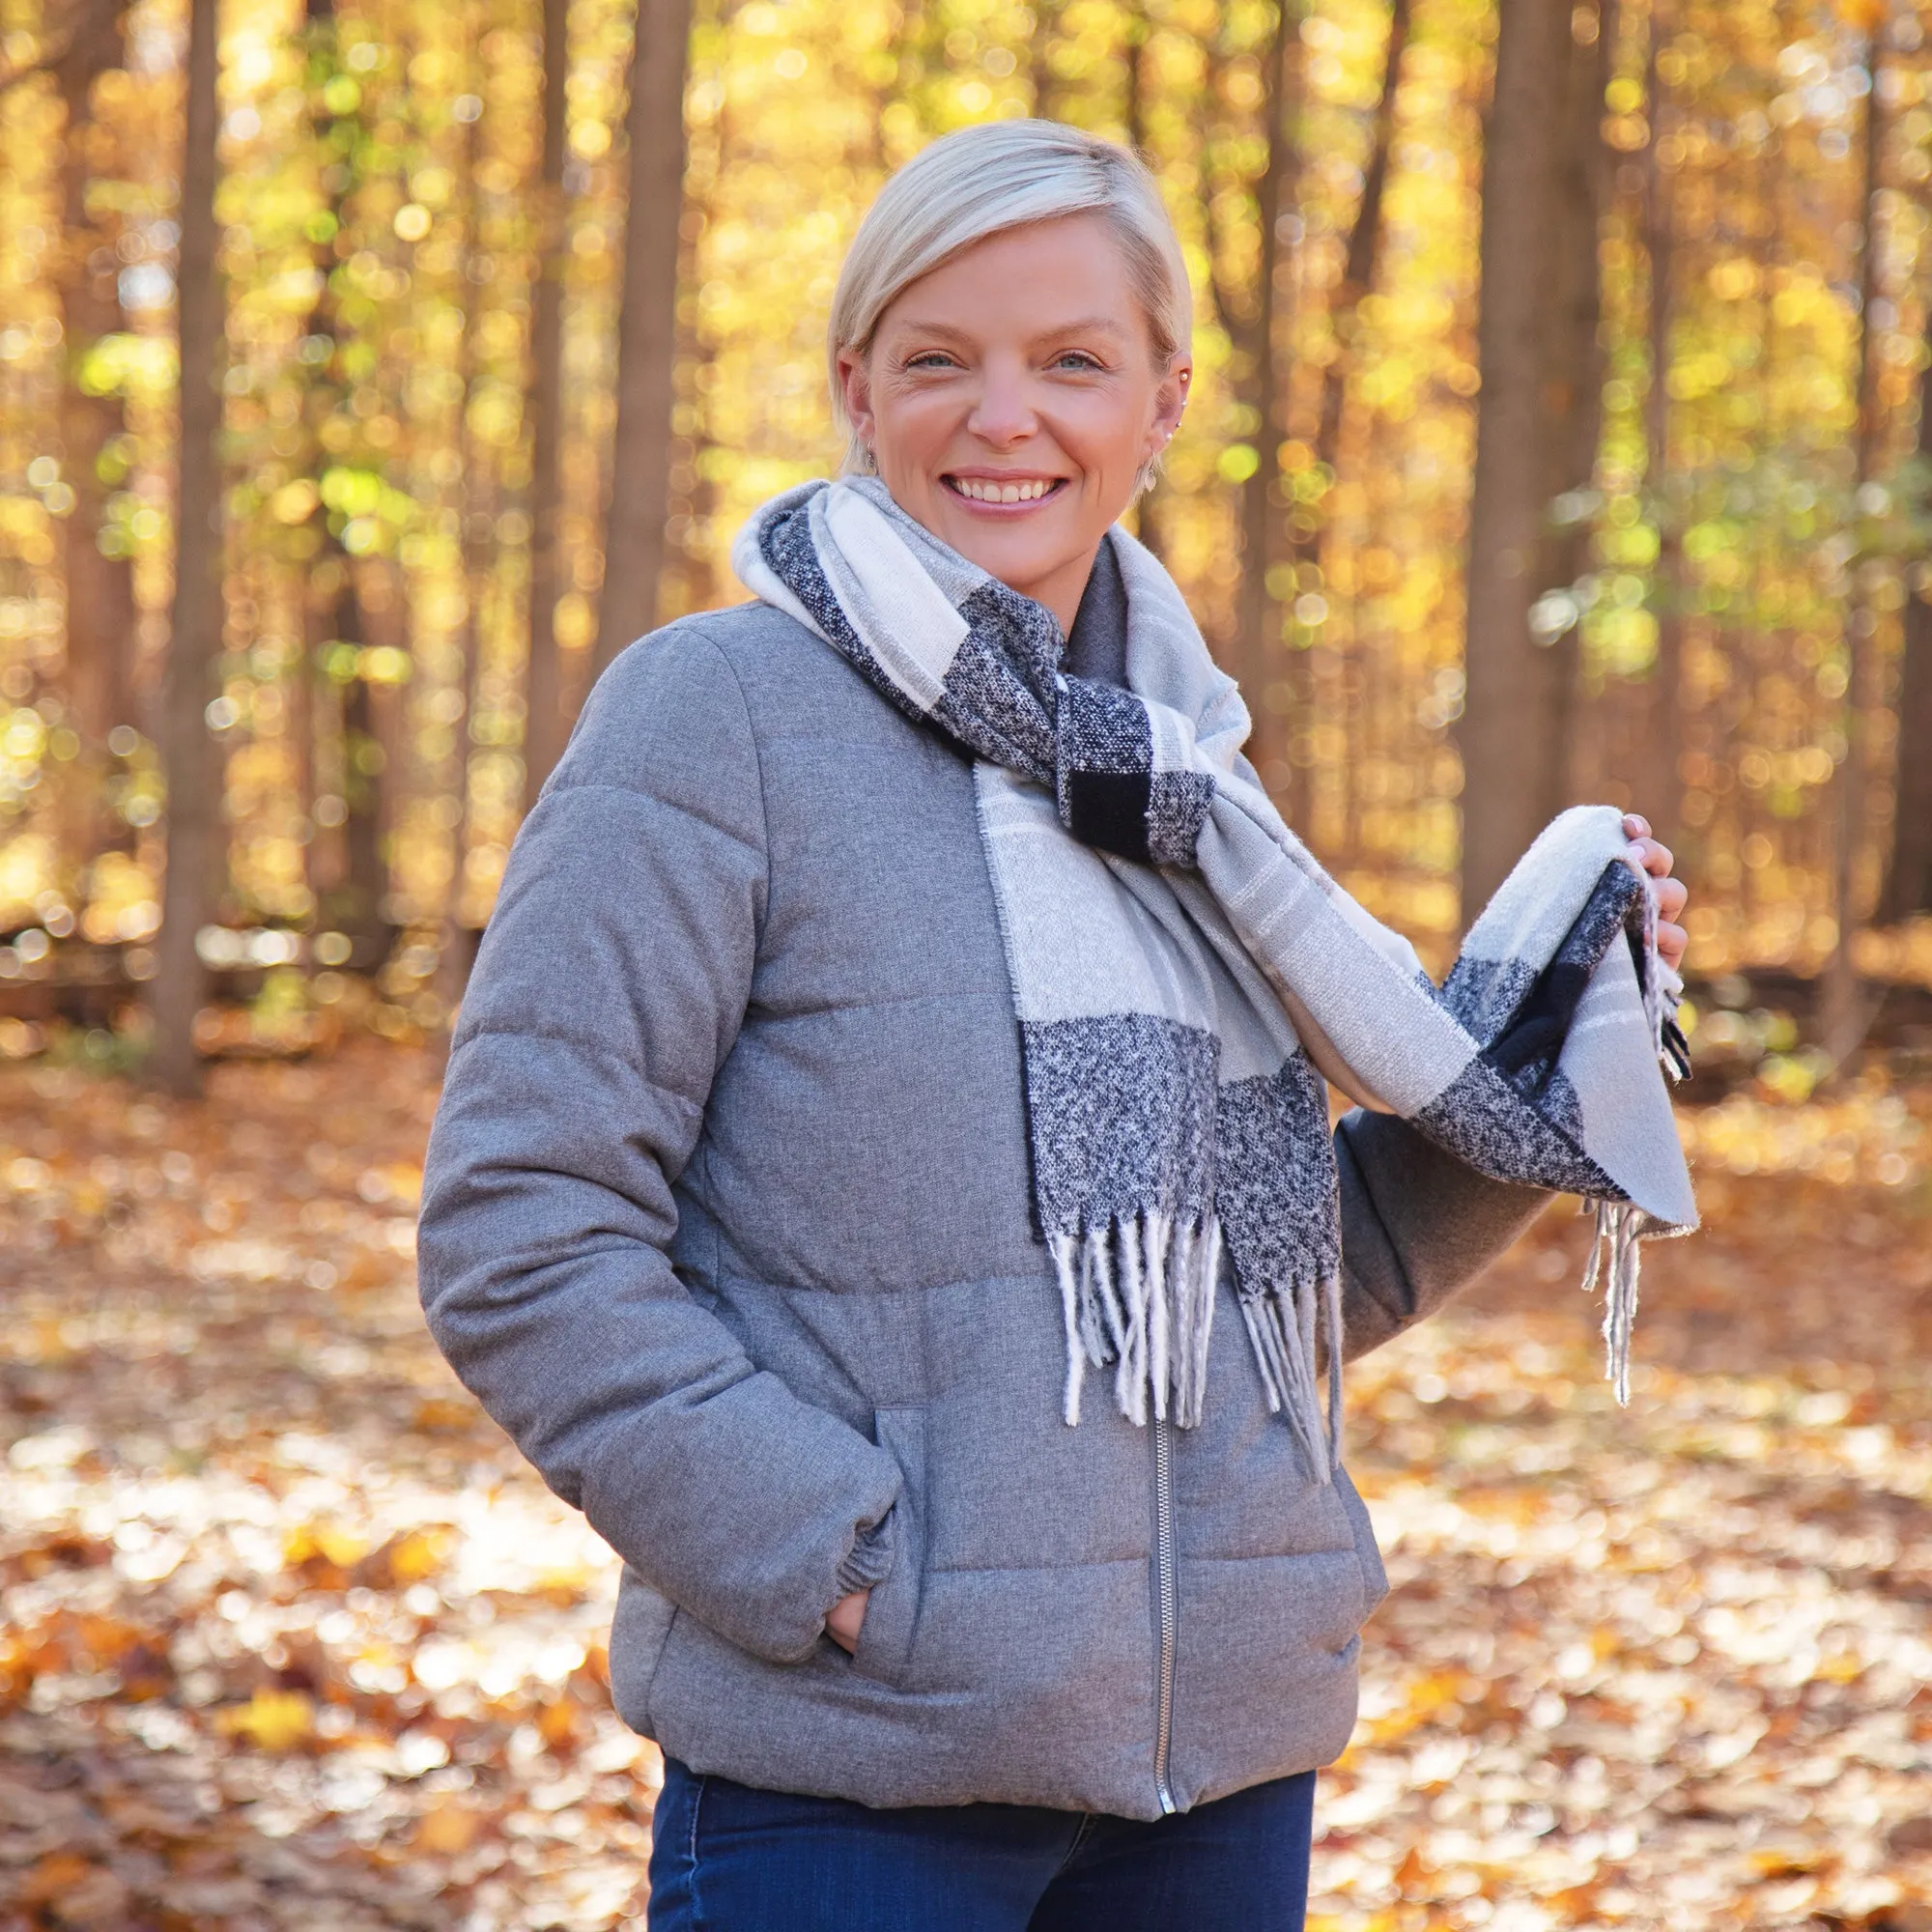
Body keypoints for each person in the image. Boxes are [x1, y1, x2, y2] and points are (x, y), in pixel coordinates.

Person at [416, 120, 1691, 1931]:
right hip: (861, 1777)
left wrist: (1563, 1036)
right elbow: (520, 1228)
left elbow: (1293, 1286)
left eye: (1072, 363)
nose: (1003, 417)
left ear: (1162, 401)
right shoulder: (720, 718)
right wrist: (843, 1567)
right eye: (940, 360)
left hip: (1221, 1770)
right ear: (858, 388)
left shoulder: (1191, 778)